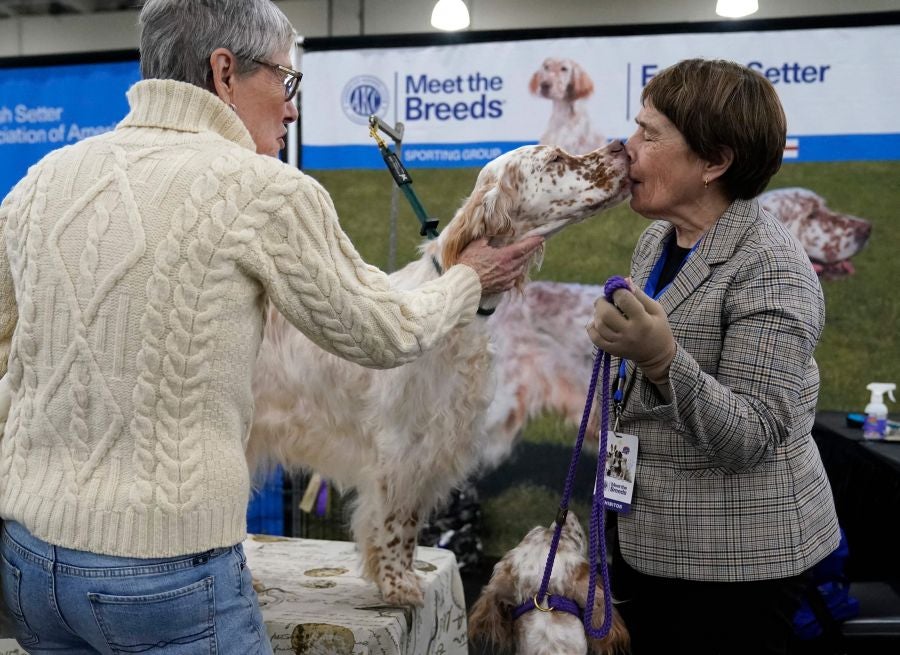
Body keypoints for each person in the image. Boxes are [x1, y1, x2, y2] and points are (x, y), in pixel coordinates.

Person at [0, 1, 543, 652]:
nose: (291, 107)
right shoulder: (266, 191)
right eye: (285, 80)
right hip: (166, 577)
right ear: (224, 72)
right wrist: (469, 279)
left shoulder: (38, 184)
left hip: (28, 566)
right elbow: (384, 333)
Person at [586, 58, 840, 654]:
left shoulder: (772, 267)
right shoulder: (658, 238)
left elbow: (752, 436)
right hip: (648, 540)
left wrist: (660, 359)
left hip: (735, 567)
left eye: (649, 134)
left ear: (715, 162)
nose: (627, 146)